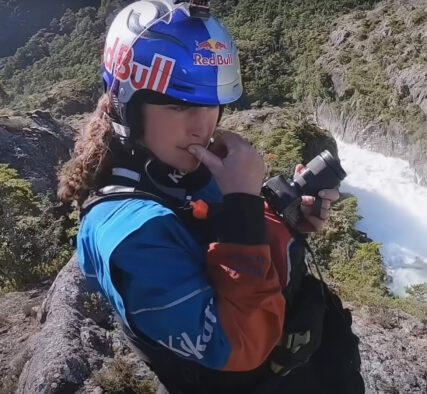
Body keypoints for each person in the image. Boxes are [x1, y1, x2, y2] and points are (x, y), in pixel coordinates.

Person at [57, 1, 364, 392]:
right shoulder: (130, 236)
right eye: (180, 105)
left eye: (210, 103)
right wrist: (242, 205)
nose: (203, 126)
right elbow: (242, 343)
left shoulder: (176, 170)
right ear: (125, 105)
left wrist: (279, 221)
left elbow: (207, 233)